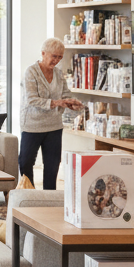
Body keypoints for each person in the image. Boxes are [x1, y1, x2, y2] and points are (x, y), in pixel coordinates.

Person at [19, 37, 84, 190]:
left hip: (54, 125)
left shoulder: (59, 74)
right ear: (43, 53)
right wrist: (56, 103)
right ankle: (28, 195)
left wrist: (71, 103)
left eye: (59, 57)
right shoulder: (31, 72)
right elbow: (32, 99)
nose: (56, 60)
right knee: (26, 162)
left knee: (53, 165)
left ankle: (48, 197)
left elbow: (65, 94)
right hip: (32, 125)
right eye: (54, 56)